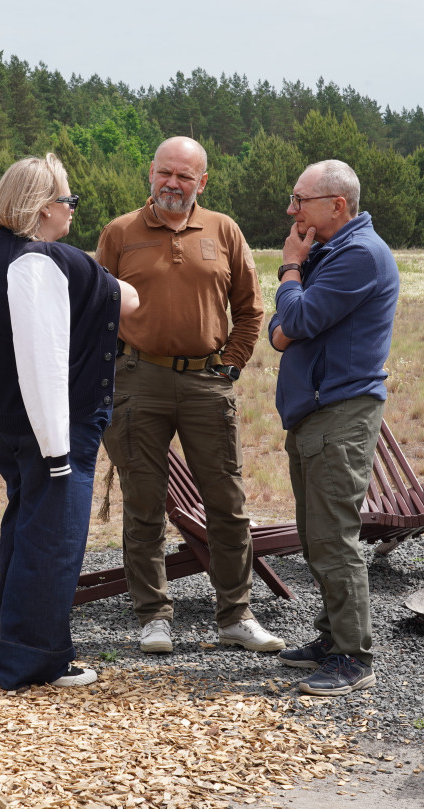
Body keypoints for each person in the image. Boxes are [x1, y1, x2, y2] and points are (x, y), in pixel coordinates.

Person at [96, 136, 283, 655]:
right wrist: (111, 372)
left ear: (203, 181)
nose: (172, 184)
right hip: (138, 382)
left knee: (226, 502)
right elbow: (97, 310)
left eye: (184, 176)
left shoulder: (224, 230)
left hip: (206, 383)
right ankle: (154, 617)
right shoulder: (120, 233)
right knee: (144, 503)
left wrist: (229, 365)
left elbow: (249, 309)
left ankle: (236, 618)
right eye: (165, 173)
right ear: (150, 174)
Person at [0, 153, 140, 691]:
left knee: (26, 530)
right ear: (44, 209)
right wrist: (58, 448)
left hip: (8, 422)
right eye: (68, 201)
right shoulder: (40, 262)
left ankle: (20, 641)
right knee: (52, 541)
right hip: (50, 427)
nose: (72, 211)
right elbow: (45, 359)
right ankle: (35, 659)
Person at [267, 159, 400, 696]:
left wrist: (289, 269)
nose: (291, 210)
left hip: (338, 413)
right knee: (316, 532)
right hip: (317, 412)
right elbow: (279, 334)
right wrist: (292, 298)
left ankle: (352, 655)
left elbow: (292, 323)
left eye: (301, 200)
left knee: (333, 537)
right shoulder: (335, 251)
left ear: (337, 206)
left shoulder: (359, 257)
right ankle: (331, 637)